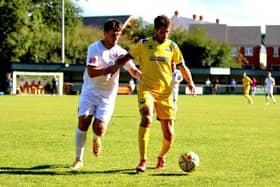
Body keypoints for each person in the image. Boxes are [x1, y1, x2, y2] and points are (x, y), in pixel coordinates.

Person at [70, 19, 142, 170]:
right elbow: (91, 72)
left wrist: (147, 78)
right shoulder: (94, 48)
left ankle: (96, 138)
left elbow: (133, 71)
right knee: (83, 120)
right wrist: (110, 68)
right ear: (104, 33)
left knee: (99, 128)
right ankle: (78, 160)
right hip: (89, 91)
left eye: (117, 36)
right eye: (112, 35)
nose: (114, 39)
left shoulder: (121, 53)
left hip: (107, 96)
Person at [129, 15, 195, 172]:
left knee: (170, 134)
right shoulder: (144, 44)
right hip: (146, 89)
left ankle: (161, 157)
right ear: (155, 30)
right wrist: (130, 69)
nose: (165, 35)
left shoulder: (172, 46)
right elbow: (127, 57)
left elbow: (182, 66)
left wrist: (190, 82)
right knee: (146, 118)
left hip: (166, 94)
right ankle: (143, 160)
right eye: (161, 32)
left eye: (167, 32)